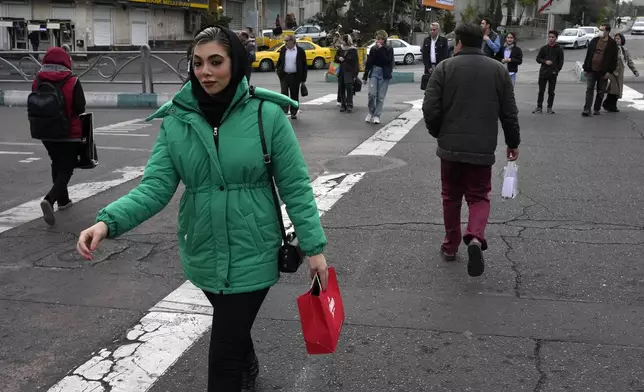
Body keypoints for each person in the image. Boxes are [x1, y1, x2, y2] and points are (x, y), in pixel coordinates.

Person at [76, 26, 329, 392]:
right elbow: (156, 186)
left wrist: (314, 249)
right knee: (233, 331)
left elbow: (295, 187)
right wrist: (107, 222)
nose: (205, 71)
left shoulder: (266, 115)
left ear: (235, 63)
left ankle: (239, 363)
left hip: (253, 251)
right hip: (204, 251)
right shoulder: (178, 118)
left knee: (222, 359)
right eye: (197, 63)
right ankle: (247, 359)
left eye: (215, 62)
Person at [422, 23, 520, 277]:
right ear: (482, 41)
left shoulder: (445, 68)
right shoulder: (498, 70)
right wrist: (513, 143)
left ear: (460, 43)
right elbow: (509, 112)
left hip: (450, 148)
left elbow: (430, 108)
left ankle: (451, 246)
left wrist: (439, 133)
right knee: (479, 196)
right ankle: (475, 237)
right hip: (482, 148)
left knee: (451, 197)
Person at [30, 47, 86, 226]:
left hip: (44, 131)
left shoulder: (38, 79)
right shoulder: (72, 80)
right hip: (68, 132)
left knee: (56, 162)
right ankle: (50, 199)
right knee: (67, 167)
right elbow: (80, 107)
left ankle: (63, 201)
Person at [582, 23, 618, 116]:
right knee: (589, 89)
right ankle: (587, 109)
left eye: (602, 30)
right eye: (600, 29)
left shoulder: (612, 44)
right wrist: (585, 68)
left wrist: (609, 72)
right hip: (591, 69)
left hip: (603, 71)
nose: (600, 31)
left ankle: (596, 108)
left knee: (601, 91)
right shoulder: (594, 40)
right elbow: (588, 55)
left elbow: (614, 60)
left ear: (607, 31)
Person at [363, 30, 394, 124]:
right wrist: (365, 75)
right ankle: (370, 112)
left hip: (384, 73)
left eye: (379, 39)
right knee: (372, 94)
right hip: (374, 72)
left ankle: (377, 115)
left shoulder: (389, 49)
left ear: (384, 40)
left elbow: (387, 61)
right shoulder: (373, 49)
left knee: (380, 97)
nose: (377, 41)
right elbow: (369, 62)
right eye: (377, 38)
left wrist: (381, 50)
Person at [603, 32, 640, 112]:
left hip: (620, 72)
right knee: (614, 89)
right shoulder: (611, 49)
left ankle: (611, 105)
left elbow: (629, 61)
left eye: (618, 39)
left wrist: (635, 71)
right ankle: (608, 104)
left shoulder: (624, 50)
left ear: (622, 40)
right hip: (612, 72)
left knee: (618, 90)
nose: (617, 40)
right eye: (615, 39)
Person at [276, 34, 307, 119]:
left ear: (292, 41)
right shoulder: (283, 49)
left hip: (295, 76)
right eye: (285, 41)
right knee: (284, 94)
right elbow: (280, 61)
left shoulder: (300, 51)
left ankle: (294, 112)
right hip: (284, 75)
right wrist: (278, 70)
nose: (285, 43)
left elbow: (304, 65)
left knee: (294, 95)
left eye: (286, 41)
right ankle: (284, 111)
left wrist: (303, 79)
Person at [532, 30, 564, 114]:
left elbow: (561, 62)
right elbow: (538, 59)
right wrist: (545, 61)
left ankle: (549, 107)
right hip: (543, 73)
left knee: (551, 91)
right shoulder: (544, 48)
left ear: (556, 38)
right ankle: (539, 107)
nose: (551, 39)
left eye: (553, 37)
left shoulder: (559, 49)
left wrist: (556, 71)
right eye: (549, 37)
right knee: (541, 91)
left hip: (553, 74)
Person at [334, 34, 359, 112]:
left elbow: (356, 62)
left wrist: (355, 73)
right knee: (341, 88)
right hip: (341, 71)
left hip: (349, 71)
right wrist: (339, 58)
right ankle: (343, 104)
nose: (341, 41)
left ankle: (349, 105)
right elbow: (335, 58)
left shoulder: (353, 50)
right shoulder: (340, 49)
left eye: (343, 40)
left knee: (349, 88)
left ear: (347, 41)